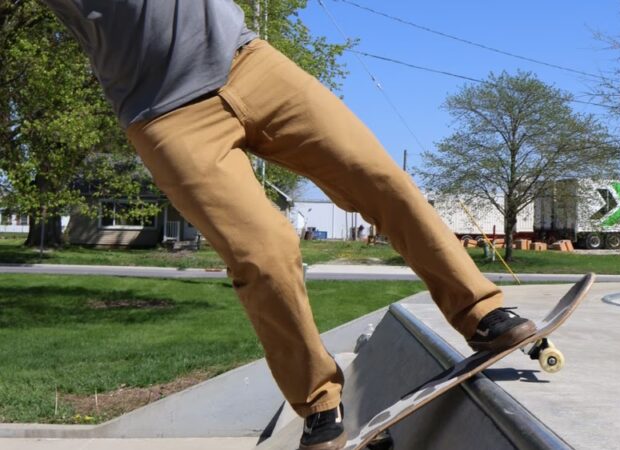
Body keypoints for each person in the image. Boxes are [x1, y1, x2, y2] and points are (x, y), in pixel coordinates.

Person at [40, 1, 536, 448]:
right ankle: (319, 401)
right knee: (262, 252)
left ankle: (478, 312)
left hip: (249, 63)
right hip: (164, 114)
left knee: (377, 176)